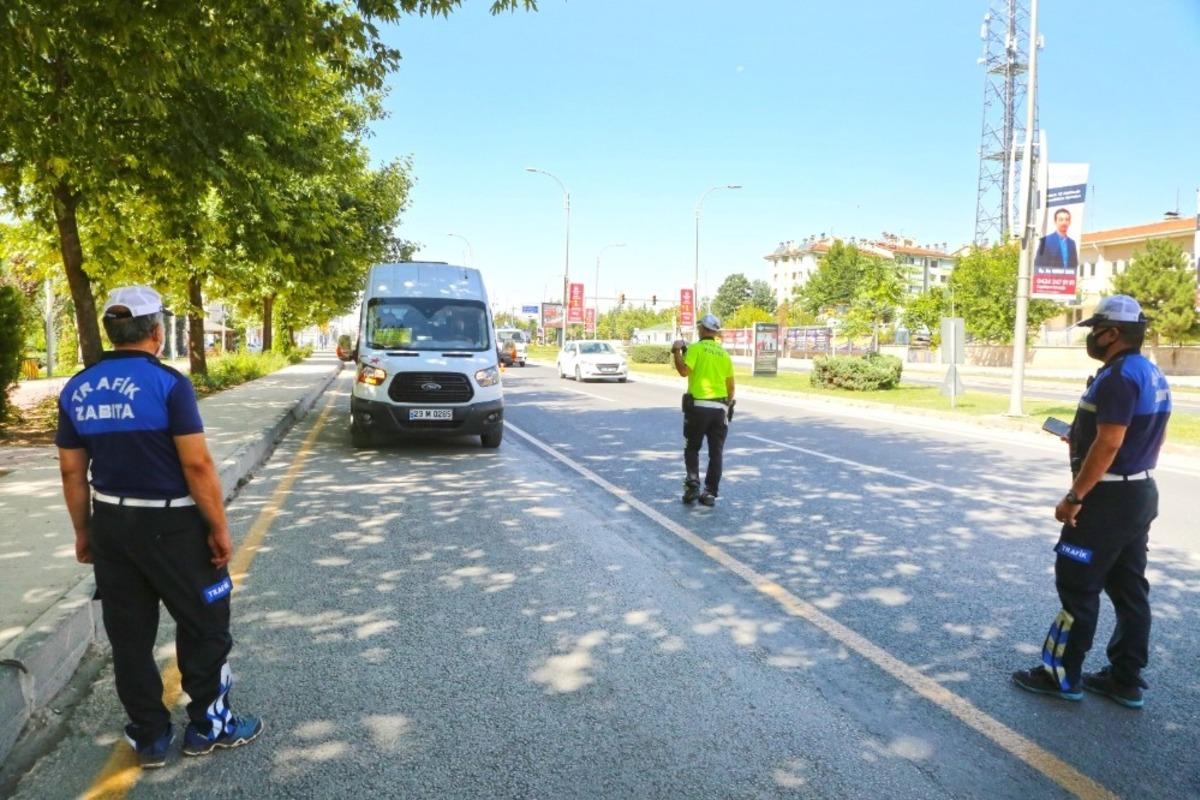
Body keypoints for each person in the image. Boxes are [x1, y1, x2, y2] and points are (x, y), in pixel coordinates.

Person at [56, 286, 263, 769]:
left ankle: (149, 737)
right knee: (204, 622)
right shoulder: (169, 385)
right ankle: (210, 726)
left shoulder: (76, 387)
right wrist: (218, 527)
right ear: (156, 331)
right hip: (173, 527)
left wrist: (83, 532)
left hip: (110, 524)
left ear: (112, 330)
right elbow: (197, 465)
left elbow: (71, 471)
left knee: (128, 636)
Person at [1012, 295, 1171, 709]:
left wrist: (1075, 495)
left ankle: (1060, 675)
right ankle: (1125, 679)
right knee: (1129, 589)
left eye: (1095, 330)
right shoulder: (1149, 371)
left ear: (1112, 333)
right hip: (1138, 494)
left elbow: (1112, 441)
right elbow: (1135, 436)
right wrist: (1081, 438)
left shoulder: (1119, 377)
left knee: (1077, 585)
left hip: (1106, 502)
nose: (1092, 337)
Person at [671, 314, 735, 507]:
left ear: (701, 329)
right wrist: (727, 407)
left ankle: (692, 485)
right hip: (720, 409)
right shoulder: (724, 355)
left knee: (692, 448)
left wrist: (676, 352)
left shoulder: (696, 349)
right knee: (716, 453)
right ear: (715, 332)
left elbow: (684, 371)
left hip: (698, 408)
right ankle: (709, 494)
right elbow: (731, 387)